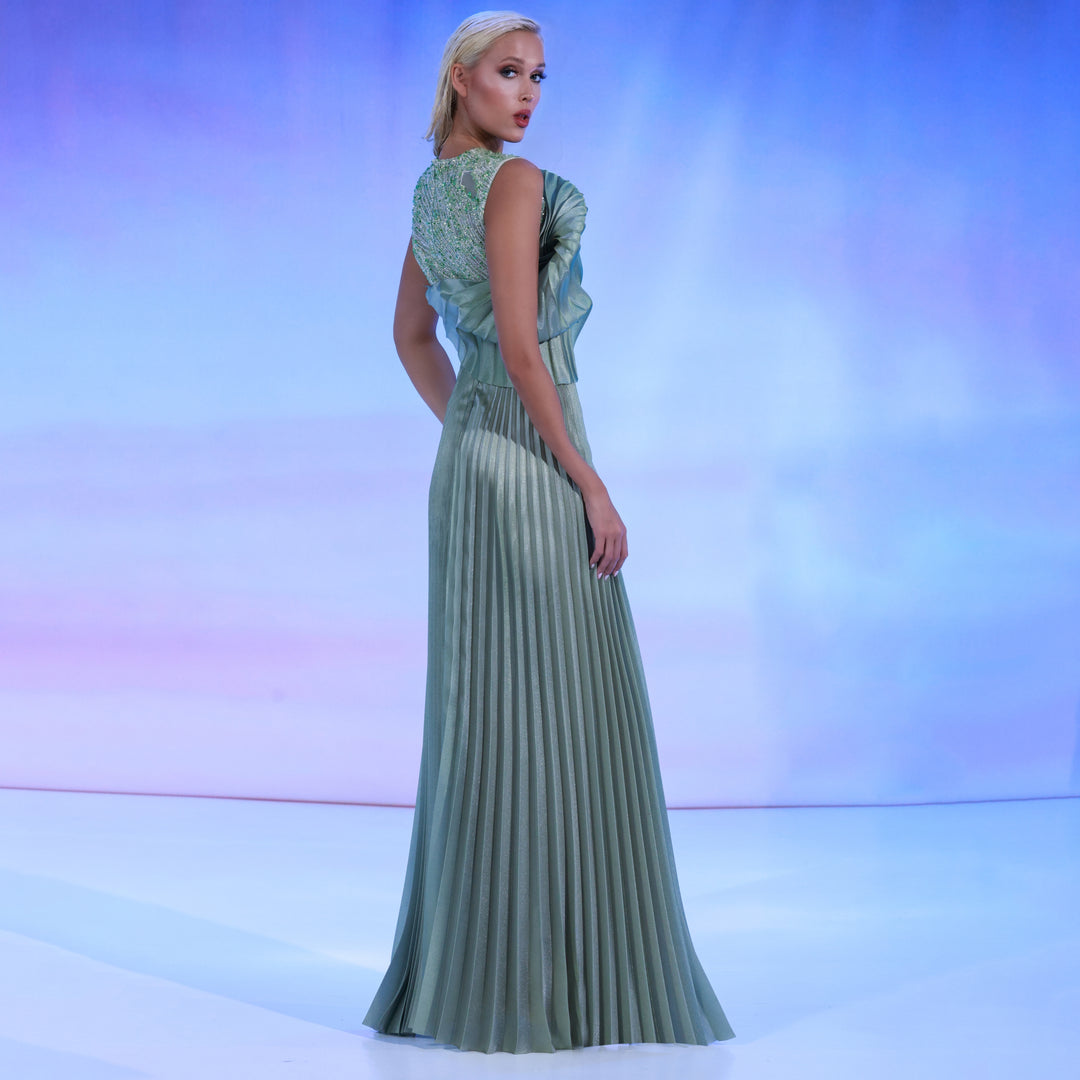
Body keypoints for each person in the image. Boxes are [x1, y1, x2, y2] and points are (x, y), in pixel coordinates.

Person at [362, 10, 735, 1055]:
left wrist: (470, 425)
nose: (527, 93)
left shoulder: (433, 191)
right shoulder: (514, 183)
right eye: (508, 72)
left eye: (538, 76)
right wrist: (590, 484)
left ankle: (473, 980)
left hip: (473, 465)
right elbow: (525, 351)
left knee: (490, 713)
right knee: (565, 704)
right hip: (535, 461)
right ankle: (572, 991)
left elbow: (411, 335)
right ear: (461, 77)